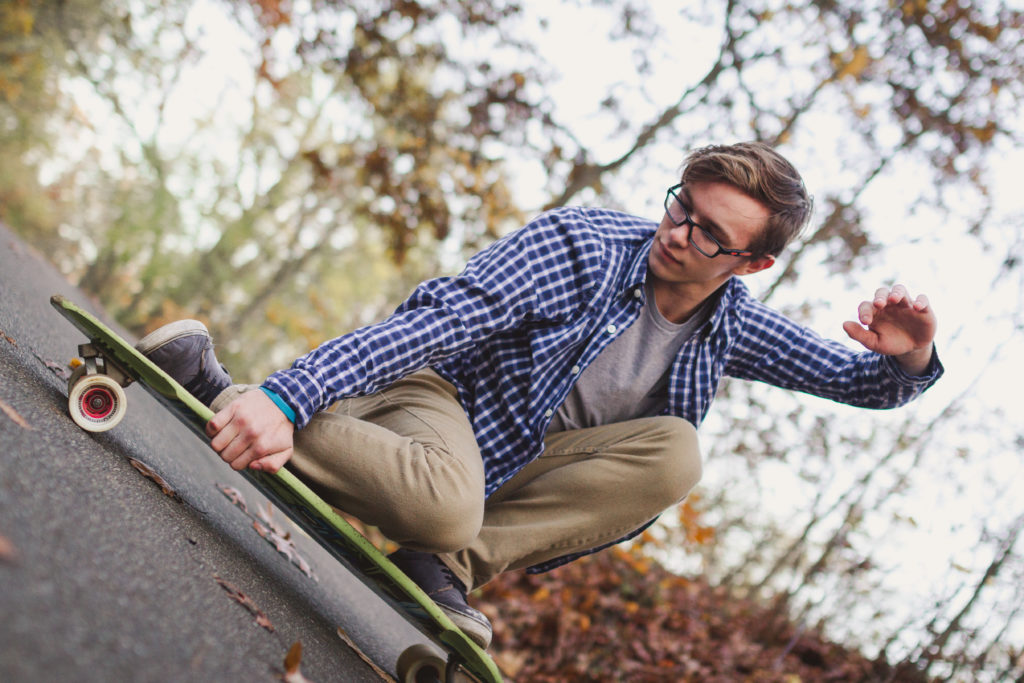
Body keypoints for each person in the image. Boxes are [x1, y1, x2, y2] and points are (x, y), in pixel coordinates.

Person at [137, 142, 942, 649]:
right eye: (680, 207)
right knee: (448, 498)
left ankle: (437, 560)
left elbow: (859, 380)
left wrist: (911, 356)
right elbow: (443, 319)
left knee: (676, 452)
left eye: (707, 235)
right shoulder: (584, 246)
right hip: (441, 395)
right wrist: (287, 394)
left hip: (515, 463)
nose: (677, 234)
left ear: (751, 264)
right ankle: (219, 385)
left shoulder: (731, 325)